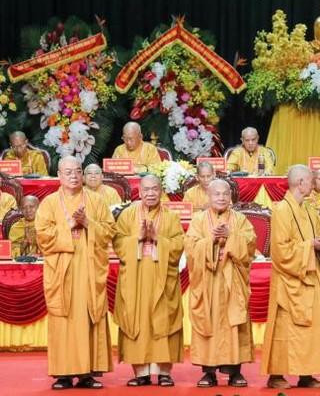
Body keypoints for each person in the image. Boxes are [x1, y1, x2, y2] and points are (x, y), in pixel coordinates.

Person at [35, 156, 114, 389]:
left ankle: (88, 373)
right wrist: (68, 226)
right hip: (63, 270)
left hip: (89, 269)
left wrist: (88, 223)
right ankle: (63, 374)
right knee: (64, 320)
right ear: (59, 175)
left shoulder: (96, 200)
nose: (74, 176)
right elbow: (42, 236)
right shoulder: (49, 203)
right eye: (68, 172)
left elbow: (109, 231)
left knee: (89, 316)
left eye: (77, 171)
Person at [261, 165, 320, 389]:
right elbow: (280, 251)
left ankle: (306, 374)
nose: (314, 184)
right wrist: (309, 246)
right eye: (311, 180)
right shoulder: (281, 210)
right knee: (286, 329)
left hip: (311, 274)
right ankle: (276, 375)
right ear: (300, 182)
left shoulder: (310, 209)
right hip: (290, 278)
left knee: (310, 328)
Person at [113, 174, 184, 387]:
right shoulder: (128, 215)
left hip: (161, 277)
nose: (151, 193)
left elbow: (179, 244)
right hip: (136, 277)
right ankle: (140, 372)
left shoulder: (171, 216)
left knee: (162, 318)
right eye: (146, 190)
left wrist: (157, 240)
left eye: (155, 189)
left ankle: (164, 371)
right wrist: (137, 238)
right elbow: (118, 243)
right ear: (140, 191)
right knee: (137, 319)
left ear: (161, 191)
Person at [185, 179, 256, 388]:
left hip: (232, 280)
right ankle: (208, 372)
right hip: (208, 280)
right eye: (216, 194)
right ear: (208, 196)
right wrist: (211, 242)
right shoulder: (198, 220)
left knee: (234, 324)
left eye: (225, 194)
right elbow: (190, 247)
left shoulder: (240, 219)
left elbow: (250, 244)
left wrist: (231, 236)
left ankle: (235, 372)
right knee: (209, 322)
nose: (221, 197)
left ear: (231, 196)